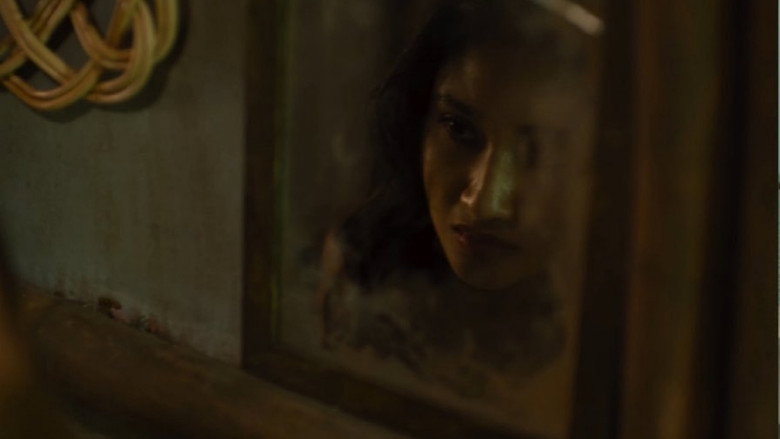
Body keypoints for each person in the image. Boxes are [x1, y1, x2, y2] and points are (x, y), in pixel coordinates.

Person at [317, 0, 595, 396]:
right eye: (459, 129)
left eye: (540, 152)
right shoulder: (367, 261)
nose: (483, 203)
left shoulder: (634, 330)